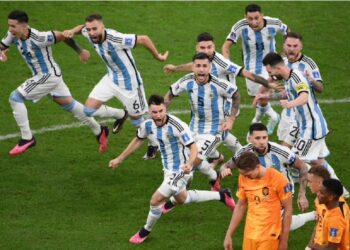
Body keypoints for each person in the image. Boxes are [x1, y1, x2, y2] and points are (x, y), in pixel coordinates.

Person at [108, 95, 236, 244]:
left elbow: (193, 147)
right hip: (168, 168)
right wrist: (119, 158)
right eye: (154, 112)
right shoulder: (148, 125)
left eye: (161, 111)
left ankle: (145, 231)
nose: (158, 115)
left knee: (155, 201)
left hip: (181, 170)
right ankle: (222, 196)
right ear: (149, 111)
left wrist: (189, 164)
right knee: (182, 198)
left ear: (165, 108)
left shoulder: (177, 126)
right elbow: (138, 139)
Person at [0, 10, 108, 154]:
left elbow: (63, 36)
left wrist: (80, 51)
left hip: (48, 76)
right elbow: (2, 46)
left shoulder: (40, 37)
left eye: (13, 26)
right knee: (70, 104)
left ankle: (27, 138)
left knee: (15, 97)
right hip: (44, 76)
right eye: (9, 26)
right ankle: (99, 130)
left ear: (24, 26)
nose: (10, 29)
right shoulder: (13, 34)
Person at [163, 32, 282, 163]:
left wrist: (267, 83)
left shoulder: (222, 62)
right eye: (203, 48)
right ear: (197, 48)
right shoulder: (201, 61)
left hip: (225, 104)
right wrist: (175, 68)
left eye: (209, 47)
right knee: (208, 131)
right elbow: (194, 66)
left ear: (214, 46)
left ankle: (241, 157)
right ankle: (229, 154)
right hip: (208, 99)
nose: (207, 51)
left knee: (216, 131)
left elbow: (246, 74)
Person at [63, 14, 169, 159]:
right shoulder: (89, 34)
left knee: (137, 120)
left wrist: (158, 56)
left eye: (95, 29)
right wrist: (71, 30)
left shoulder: (115, 38)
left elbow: (144, 39)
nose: (92, 32)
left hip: (130, 85)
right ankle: (120, 114)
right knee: (88, 110)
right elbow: (80, 28)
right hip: (111, 79)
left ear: (103, 27)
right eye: (89, 29)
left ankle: (153, 143)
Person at [262, 52, 349, 197]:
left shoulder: (297, 77)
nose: (270, 76)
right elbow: (288, 94)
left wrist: (289, 105)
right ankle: (341, 191)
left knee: (296, 160)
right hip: (303, 125)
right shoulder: (288, 78)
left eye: (270, 72)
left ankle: (290, 191)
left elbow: (304, 96)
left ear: (276, 68)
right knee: (317, 161)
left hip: (312, 127)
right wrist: (268, 96)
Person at [164, 52, 241, 192]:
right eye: (198, 66)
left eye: (204, 66)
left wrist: (231, 120)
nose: (201, 69)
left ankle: (181, 185)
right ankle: (214, 172)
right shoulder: (187, 81)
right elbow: (170, 94)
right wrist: (162, 114)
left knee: (195, 159)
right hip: (194, 127)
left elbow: (236, 95)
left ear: (210, 67)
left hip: (216, 130)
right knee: (187, 156)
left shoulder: (219, 84)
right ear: (193, 67)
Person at [222, 3, 288, 135]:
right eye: (250, 18)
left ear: (262, 15)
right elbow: (225, 47)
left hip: (272, 65)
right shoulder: (240, 26)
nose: (254, 21)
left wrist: (283, 55)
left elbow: (288, 33)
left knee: (261, 95)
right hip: (252, 68)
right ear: (245, 17)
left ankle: (268, 118)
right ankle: (266, 117)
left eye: (256, 18)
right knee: (257, 97)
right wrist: (228, 65)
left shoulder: (274, 23)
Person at [221, 123, 309, 211]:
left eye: (264, 137)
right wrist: (225, 170)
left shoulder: (281, 151)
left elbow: (302, 166)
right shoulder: (244, 152)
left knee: (276, 220)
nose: (262, 142)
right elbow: (225, 166)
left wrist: (302, 194)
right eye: (257, 138)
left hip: (282, 190)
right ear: (250, 139)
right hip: (258, 191)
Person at [223, 151, 292, 250]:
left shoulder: (278, 179)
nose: (245, 177)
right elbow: (240, 206)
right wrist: (228, 235)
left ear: (258, 166)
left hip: (270, 236)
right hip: (250, 234)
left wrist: (284, 241)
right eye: (243, 174)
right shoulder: (243, 177)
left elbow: (288, 209)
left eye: (248, 174)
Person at [308, 179, 349, 250]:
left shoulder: (335, 220)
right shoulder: (332, 207)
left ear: (331, 197)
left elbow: (331, 247)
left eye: (322, 193)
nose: (318, 194)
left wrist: (315, 246)